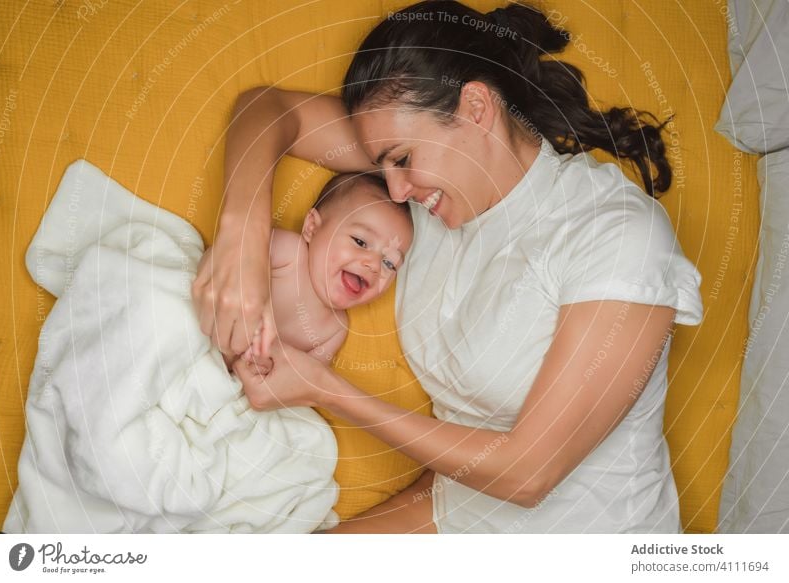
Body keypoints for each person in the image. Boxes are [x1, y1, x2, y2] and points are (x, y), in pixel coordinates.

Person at [193, 0, 703, 533]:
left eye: (402, 159)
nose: (393, 191)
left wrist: (324, 389)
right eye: (385, 166)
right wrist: (242, 239)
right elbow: (269, 109)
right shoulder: (422, 192)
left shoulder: (616, 237)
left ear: (476, 108)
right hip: (452, 515)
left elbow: (529, 474)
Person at [223, 172, 413, 380]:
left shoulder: (334, 330)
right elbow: (222, 261)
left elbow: (298, 383)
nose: (375, 265)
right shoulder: (288, 253)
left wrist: (266, 369)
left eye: (389, 263)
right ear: (312, 227)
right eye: (360, 242)